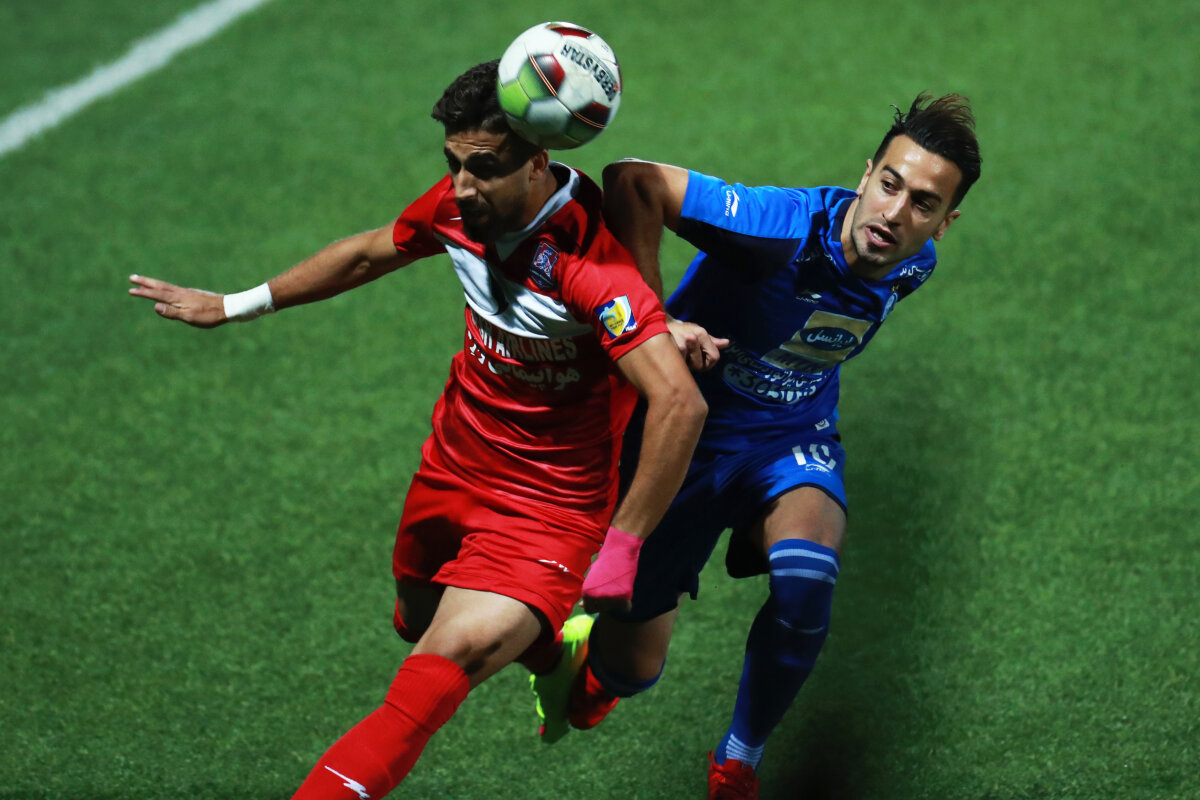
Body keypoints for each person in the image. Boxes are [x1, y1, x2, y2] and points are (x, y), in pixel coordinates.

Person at [128, 59, 707, 799]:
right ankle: (555, 656)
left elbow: (680, 404)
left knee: (437, 670)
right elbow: (369, 252)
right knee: (416, 617)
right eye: (453, 165)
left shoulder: (591, 269)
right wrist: (233, 304)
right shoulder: (462, 210)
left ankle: (567, 658)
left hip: (547, 509)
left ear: (538, 164)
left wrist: (622, 545)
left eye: (483, 169)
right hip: (454, 467)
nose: (462, 187)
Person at [530, 93, 981, 799]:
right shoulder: (784, 229)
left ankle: (737, 762)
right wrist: (654, 322)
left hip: (791, 438)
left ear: (945, 223)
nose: (896, 213)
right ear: (866, 175)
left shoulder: (911, 263)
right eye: (890, 185)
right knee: (631, 672)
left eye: (923, 204)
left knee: (807, 584)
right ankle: (590, 662)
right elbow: (633, 180)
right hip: (683, 448)